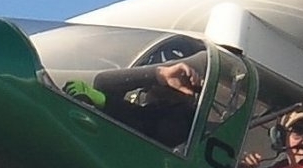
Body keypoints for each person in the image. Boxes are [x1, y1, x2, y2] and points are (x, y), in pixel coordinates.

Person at [63, 57, 203, 148]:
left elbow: (142, 122)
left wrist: (102, 100)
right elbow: (103, 82)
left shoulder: (184, 122)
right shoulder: (145, 106)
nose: (152, 87)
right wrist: (158, 74)